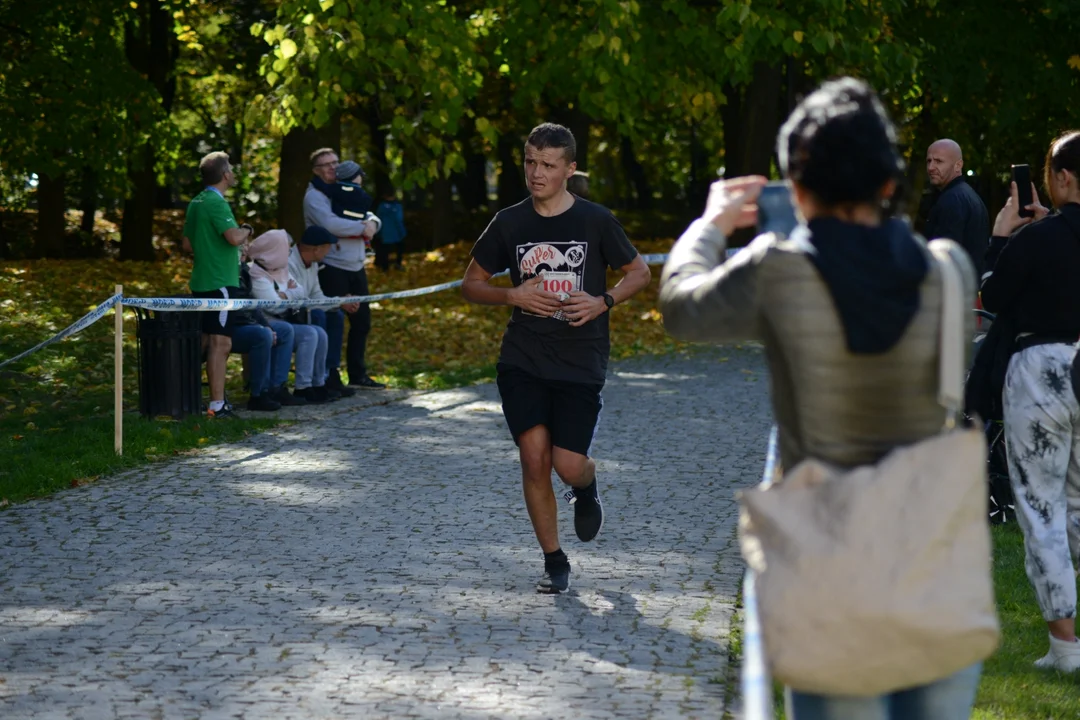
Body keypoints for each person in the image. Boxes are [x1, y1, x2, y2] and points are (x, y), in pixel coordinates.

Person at [659, 78, 984, 718]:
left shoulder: (778, 270)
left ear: (797, 188)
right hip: (937, 563)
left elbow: (679, 306)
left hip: (832, 568)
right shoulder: (949, 270)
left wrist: (712, 223)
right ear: (889, 183)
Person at [461, 122, 651, 594]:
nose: (536, 172)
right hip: (522, 357)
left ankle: (585, 486)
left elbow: (640, 272)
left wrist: (603, 301)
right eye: (529, 161)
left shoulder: (595, 220)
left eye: (547, 164)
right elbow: (471, 283)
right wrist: (513, 296)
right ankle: (554, 560)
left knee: (567, 464)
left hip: (580, 358)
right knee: (533, 457)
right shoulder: (509, 222)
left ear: (569, 169)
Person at [980, 131, 1080, 673]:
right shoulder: (1048, 234)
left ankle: (1065, 647)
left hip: (1042, 372)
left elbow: (992, 295)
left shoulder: (1037, 240)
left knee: (1043, 509)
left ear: (1062, 179)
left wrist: (1001, 236)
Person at [304, 148, 386, 390]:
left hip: (356, 266)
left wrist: (372, 222)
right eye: (326, 165)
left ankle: (358, 373)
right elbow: (331, 224)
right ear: (316, 171)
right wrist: (363, 227)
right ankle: (329, 376)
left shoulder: (347, 188)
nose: (332, 167)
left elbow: (368, 212)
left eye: (335, 162)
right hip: (332, 266)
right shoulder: (315, 196)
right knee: (334, 321)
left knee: (362, 323)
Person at [181, 151, 253, 419]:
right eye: (231, 169)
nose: (233, 172)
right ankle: (217, 404)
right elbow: (234, 237)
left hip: (201, 279)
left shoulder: (196, 201)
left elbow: (187, 244)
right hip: (221, 281)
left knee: (203, 341)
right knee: (220, 343)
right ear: (225, 175)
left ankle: (184, 394)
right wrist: (247, 229)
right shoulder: (216, 202)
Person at [247, 230, 337, 404]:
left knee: (319, 332)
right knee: (307, 334)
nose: (289, 252)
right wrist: (290, 294)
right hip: (266, 323)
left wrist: (284, 294)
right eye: (285, 248)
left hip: (283, 319)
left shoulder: (280, 269)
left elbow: (301, 294)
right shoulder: (257, 273)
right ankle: (294, 387)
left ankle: (316, 384)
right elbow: (272, 306)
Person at [229, 258, 301, 411]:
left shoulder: (244, 270)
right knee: (262, 335)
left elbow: (252, 305)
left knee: (284, 330)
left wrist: (266, 326)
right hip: (230, 326)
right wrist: (262, 328)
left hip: (249, 322)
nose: (247, 247)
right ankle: (259, 394)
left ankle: (277, 388)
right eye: (243, 244)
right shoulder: (229, 270)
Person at [924, 139, 990, 278]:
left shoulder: (952, 200)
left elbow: (944, 257)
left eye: (938, 161)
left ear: (958, 165)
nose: (931, 167)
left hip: (953, 291)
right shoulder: (967, 195)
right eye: (929, 161)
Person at [372, 186, 407, 271]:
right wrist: (402, 232)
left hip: (384, 233)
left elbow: (378, 219)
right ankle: (398, 264)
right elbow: (399, 219)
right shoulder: (397, 206)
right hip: (396, 233)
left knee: (384, 251)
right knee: (399, 249)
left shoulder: (381, 206)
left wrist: (378, 233)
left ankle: (385, 267)